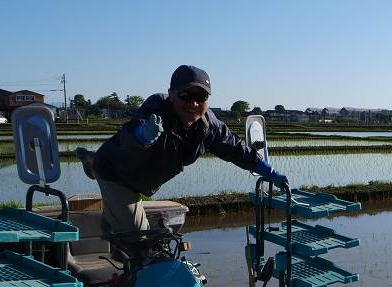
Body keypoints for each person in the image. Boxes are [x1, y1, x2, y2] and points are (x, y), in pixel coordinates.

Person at [76, 64, 288, 235]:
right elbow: (129, 135)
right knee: (137, 238)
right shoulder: (157, 107)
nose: (194, 103)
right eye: (186, 95)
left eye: (201, 97)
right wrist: (143, 136)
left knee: (116, 224)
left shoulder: (209, 127)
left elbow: (236, 149)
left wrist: (268, 171)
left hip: (142, 179)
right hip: (117, 175)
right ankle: (97, 164)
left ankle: (93, 162)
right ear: (171, 95)